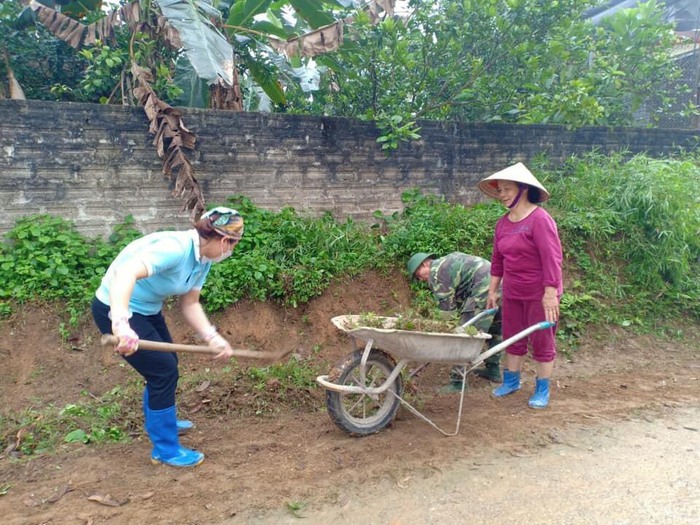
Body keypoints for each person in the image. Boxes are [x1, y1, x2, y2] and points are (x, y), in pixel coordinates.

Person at [91, 207, 244, 467]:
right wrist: (121, 324)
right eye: (233, 245)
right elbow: (125, 273)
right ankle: (165, 449)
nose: (231, 251)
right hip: (115, 308)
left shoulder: (202, 260)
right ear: (224, 240)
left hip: (147, 310)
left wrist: (212, 337)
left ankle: (163, 421)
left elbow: (190, 303)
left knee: (168, 364)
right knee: (163, 372)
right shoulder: (175, 248)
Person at [477, 162, 563, 409]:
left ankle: (542, 388)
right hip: (513, 292)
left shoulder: (540, 220)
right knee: (513, 337)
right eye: (499, 190)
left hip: (540, 294)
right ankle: (511, 381)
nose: (501, 194)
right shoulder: (503, 223)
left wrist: (550, 293)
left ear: (523, 188)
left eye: (506, 189)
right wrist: (493, 290)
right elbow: (497, 260)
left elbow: (552, 258)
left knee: (542, 340)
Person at [407, 252, 503, 392]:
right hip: (500, 285)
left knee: (465, 336)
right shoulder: (447, 262)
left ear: (425, 264)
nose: (420, 279)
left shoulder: (437, 273)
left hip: (483, 290)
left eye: (418, 274)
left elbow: (447, 311)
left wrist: (446, 333)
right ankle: (493, 370)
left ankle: (457, 382)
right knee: (495, 329)